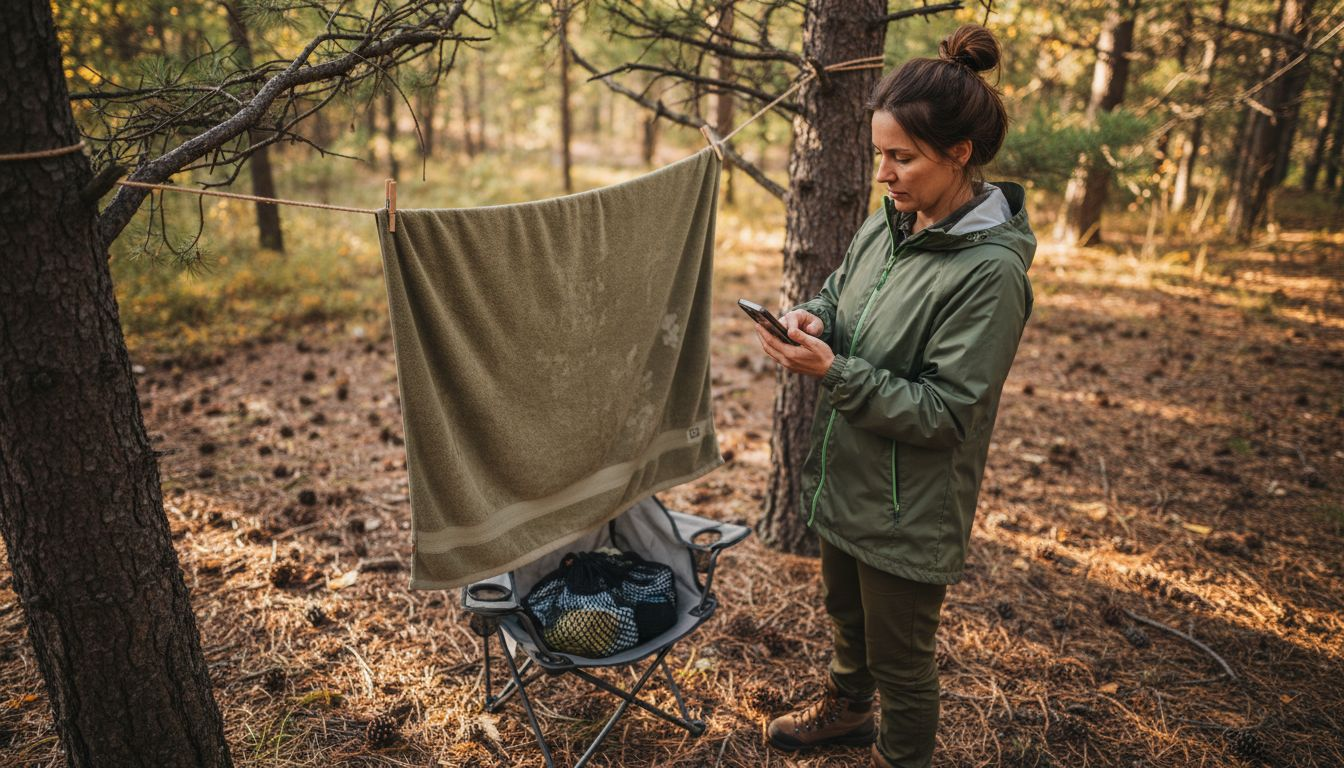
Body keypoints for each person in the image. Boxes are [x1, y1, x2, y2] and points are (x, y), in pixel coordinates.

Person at [754, 24, 1035, 768]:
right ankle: (847, 711)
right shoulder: (892, 225)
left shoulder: (990, 273)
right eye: (880, 154)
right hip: (850, 475)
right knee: (847, 620)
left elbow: (949, 413)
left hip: (910, 506)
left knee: (902, 662)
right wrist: (816, 318)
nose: (884, 173)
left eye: (902, 157)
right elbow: (842, 294)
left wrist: (833, 374)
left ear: (960, 153)